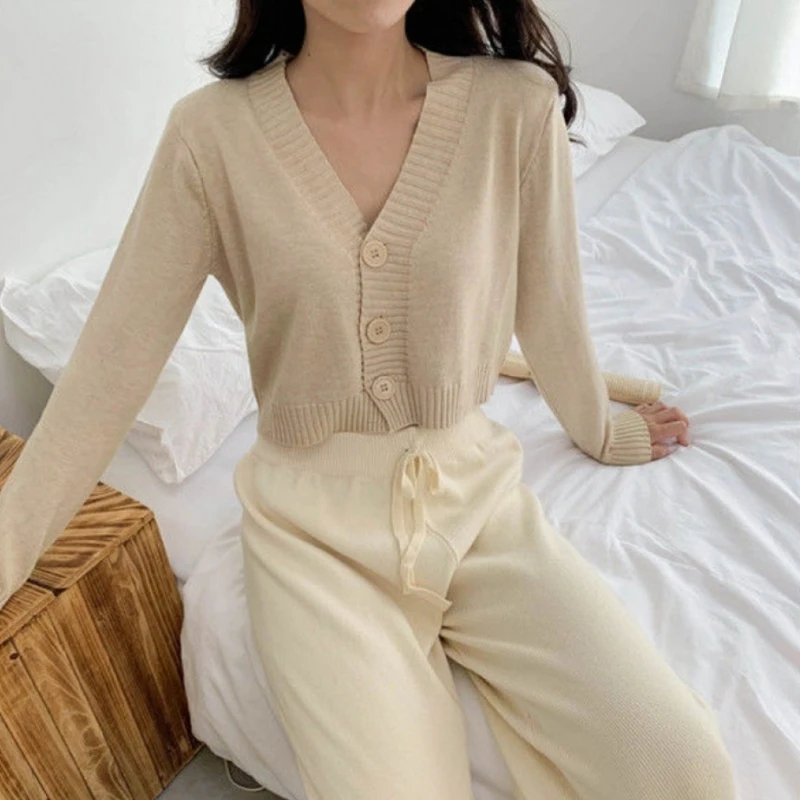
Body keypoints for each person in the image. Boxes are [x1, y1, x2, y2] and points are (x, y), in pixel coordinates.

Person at [0, 1, 737, 798]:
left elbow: (549, 306)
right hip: (313, 538)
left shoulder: (513, 106)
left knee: (683, 767)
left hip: (480, 506)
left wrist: (599, 428)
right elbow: (104, 380)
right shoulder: (211, 136)